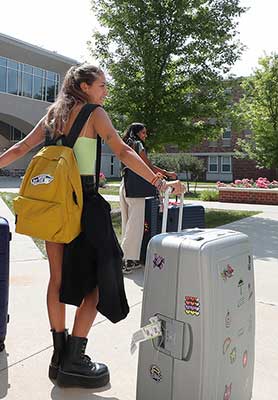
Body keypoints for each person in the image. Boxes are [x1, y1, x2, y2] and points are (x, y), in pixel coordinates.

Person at [0, 64, 185, 388]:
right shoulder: (94, 113)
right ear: (84, 86)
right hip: (84, 206)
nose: (105, 90)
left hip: (54, 206)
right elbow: (123, 150)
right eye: (102, 84)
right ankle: (75, 358)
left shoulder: (53, 116)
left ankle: (59, 357)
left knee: (56, 279)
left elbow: (18, 149)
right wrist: (157, 179)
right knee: (100, 281)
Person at [119, 123, 177, 273]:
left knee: (128, 223)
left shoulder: (126, 144)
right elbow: (147, 165)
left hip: (125, 185)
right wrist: (166, 173)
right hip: (136, 189)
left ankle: (126, 258)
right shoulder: (138, 144)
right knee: (135, 225)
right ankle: (126, 260)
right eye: (144, 132)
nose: (146, 135)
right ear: (137, 133)